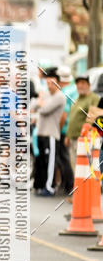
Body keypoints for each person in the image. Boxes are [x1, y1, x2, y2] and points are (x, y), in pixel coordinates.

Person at [33, 71, 65, 196]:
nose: (49, 85)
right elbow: (34, 105)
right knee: (39, 160)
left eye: (52, 83)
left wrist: (40, 103)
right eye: (47, 83)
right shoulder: (46, 94)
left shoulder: (60, 97)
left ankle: (49, 187)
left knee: (50, 161)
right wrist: (39, 103)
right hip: (40, 132)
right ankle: (39, 185)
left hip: (51, 133)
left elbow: (45, 110)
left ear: (57, 83)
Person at [66, 75, 100, 169]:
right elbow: (72, 118)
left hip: (84, 139)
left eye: (83, 83)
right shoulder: (77, 99)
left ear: (88, 85)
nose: (80, 86)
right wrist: (68, 135)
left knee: (83, 168)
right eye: (78, 83)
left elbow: (94, 117)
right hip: (72, 139)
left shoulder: (93, 98)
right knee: (74, 167)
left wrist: (87, 129)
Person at [56, 66, 76, 196]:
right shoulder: (75, 89)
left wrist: (58, 129)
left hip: (65, 130)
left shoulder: (64, 92)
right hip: (75, 129)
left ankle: (69, 186)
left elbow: (64, 115)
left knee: (65, 159)